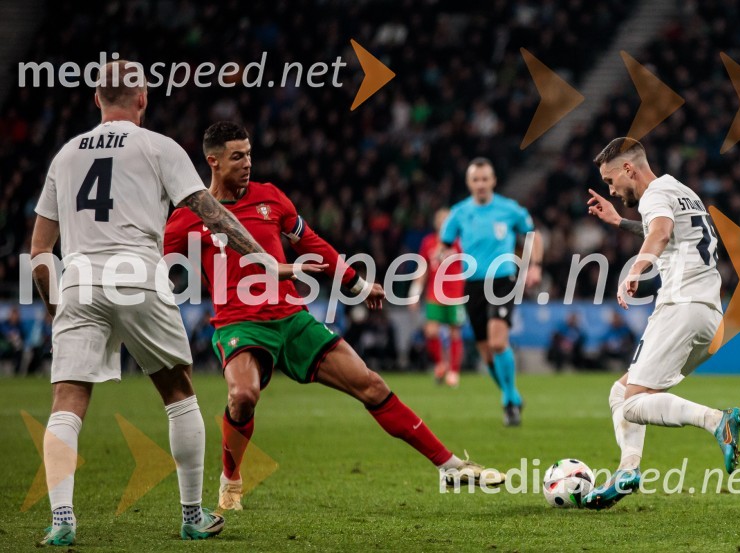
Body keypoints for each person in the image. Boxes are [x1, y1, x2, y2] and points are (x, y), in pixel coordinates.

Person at [29, 61, 320, 545]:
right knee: (178, 393)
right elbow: (215, 214)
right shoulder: (159, 147)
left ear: (97, 99)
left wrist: (55, 306)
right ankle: (191, 515)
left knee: (67, 401)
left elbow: (40, 250)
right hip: (139, 277)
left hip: (79, 282)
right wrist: (266, 261)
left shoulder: (66, 155)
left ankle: (62, 519)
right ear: (142, 98)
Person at [164, 122, 504, 512]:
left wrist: (356, 283)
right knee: (242, 396)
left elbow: (310, 242)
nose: (247, 163)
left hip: (292, 318)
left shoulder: (270, 197)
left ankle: (450, 465)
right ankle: (231, 479)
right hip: (239, 324)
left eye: (249, 154)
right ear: (213, 161)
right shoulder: (189, 216)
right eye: (237, 157)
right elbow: (153, 260)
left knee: (371, 385)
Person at [582, 137, 740, 509]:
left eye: (610, 180)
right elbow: (664, 230)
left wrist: (635, 269)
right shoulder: (681, 191)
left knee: (631, 405)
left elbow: (660, 233)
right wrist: (619, 221)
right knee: (621, 393)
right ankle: (627, 470)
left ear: (629, 169)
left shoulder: (654, 194)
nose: (611, 189)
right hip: (709, 317)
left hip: (680, 307)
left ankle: (716, 420)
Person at [439, 158, 542, 426]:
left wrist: (535, 265)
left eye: (485, 179)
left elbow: (534, 235)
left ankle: (509, 402)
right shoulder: (459, 213)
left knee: (498, 343)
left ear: (493, 181)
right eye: (476, 179)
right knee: (486, 353)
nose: (481, 184)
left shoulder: (509, 209)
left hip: (502, 279)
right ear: (469, 183)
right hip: (472, 284)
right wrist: (443, 255)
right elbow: (444, 245)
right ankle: (513, 395)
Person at [409, 208, 466, 387]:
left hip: (455, 294)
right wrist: (414, 292)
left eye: (447, 220)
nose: (443, 223)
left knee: (454, 332)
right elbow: (423, 268)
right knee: (431, 331)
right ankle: (441, 364)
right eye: (440, 220)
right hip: (434, 293)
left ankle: (454, 371)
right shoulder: (428, 242)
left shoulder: (459, 242)